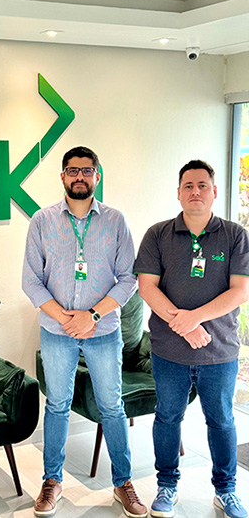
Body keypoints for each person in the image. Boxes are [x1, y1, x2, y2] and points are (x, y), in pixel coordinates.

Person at [22, 146, 147, 517]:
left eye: (87, 170)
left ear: (97, 175)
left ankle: (123, 483)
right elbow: (31, 281)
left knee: (112, 406)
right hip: (57, 330)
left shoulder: (115, 221)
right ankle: (52, 481)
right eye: (73, 170)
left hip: (103, 330)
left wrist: (90, 315)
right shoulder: (42, 221)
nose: (80, 176)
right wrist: (66, 318)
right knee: (57, 405)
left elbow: (128, 279)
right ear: (62, 176)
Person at [135, 160, 249, 518]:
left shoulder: (234, 235)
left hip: (219, 352)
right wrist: (183, 326)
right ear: (178, 193)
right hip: (169, 352)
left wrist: (194, 319)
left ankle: (226, 491)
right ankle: (166, 485)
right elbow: (146, 287)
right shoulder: (158, 234)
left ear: (214, 192)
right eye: (188, 185)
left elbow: (241, 291)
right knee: (168, 418)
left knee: (222, 421)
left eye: (202, 185)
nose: (195, 191)